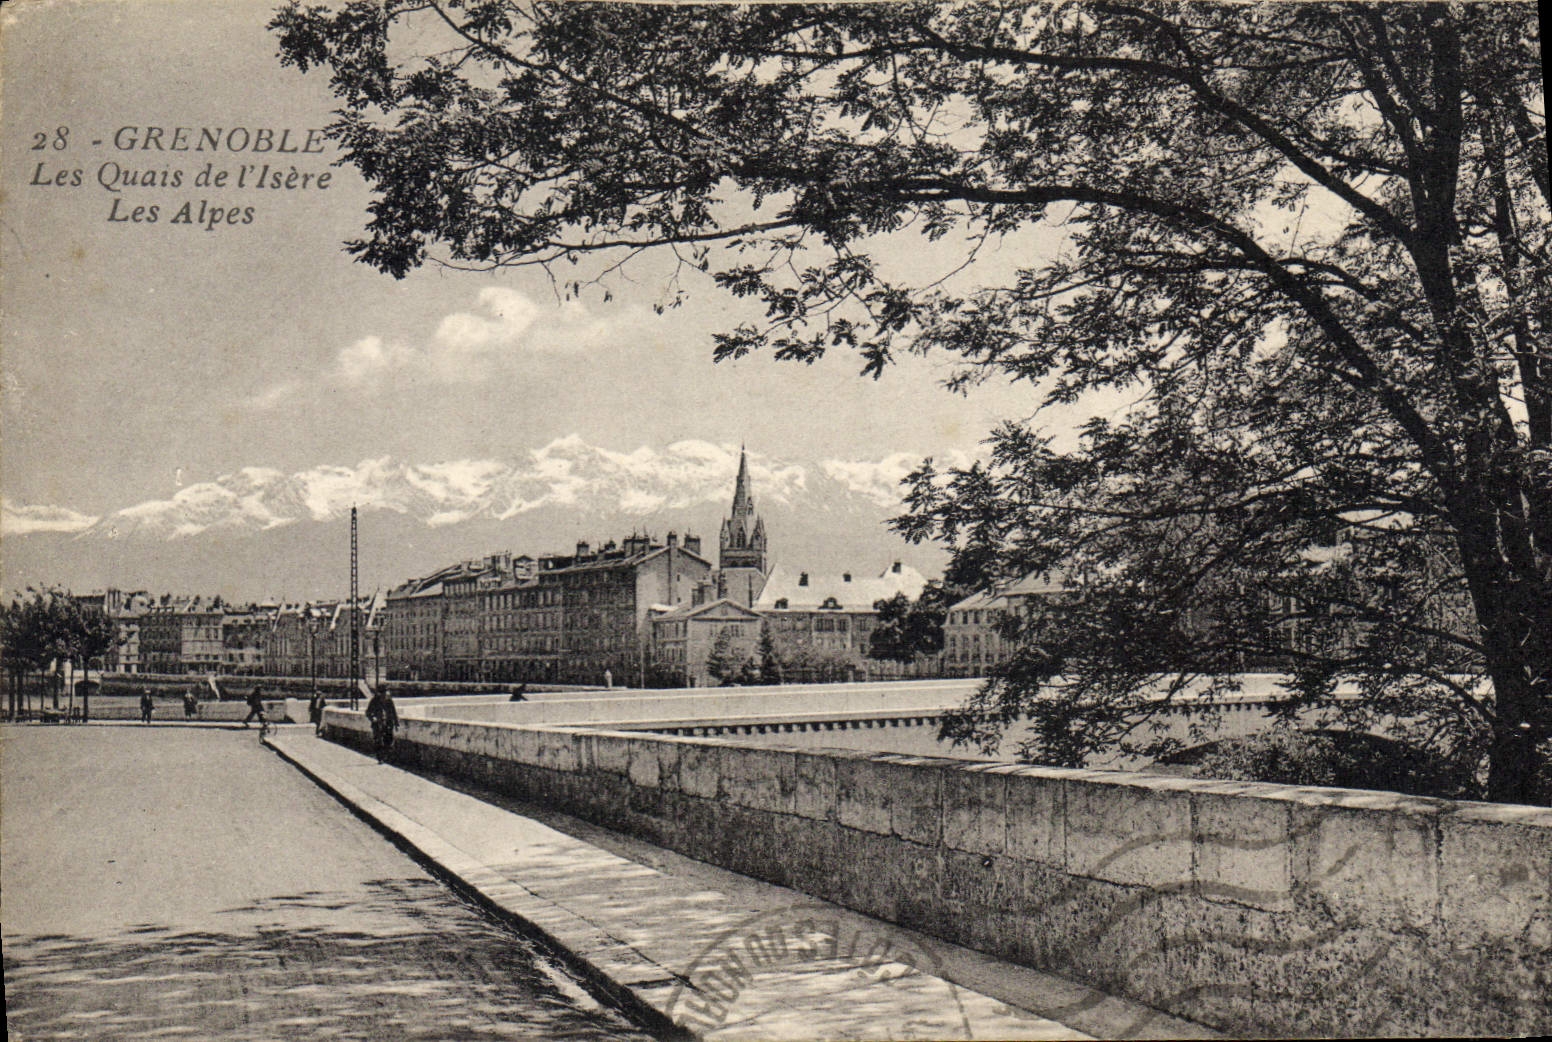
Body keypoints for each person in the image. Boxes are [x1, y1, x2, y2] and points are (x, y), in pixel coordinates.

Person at [365, 685, 398, 762]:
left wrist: (396, 723)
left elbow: (393, 712)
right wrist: (373, 718)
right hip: (377, 724)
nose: (386, 694)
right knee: (378, 741)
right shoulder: (374, 701)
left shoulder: (389, 700)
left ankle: (386, 756)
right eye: (384, 692)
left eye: (386, 692)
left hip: (388, 723)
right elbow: (368, 712)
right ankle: (380, 757)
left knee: (389, 740)